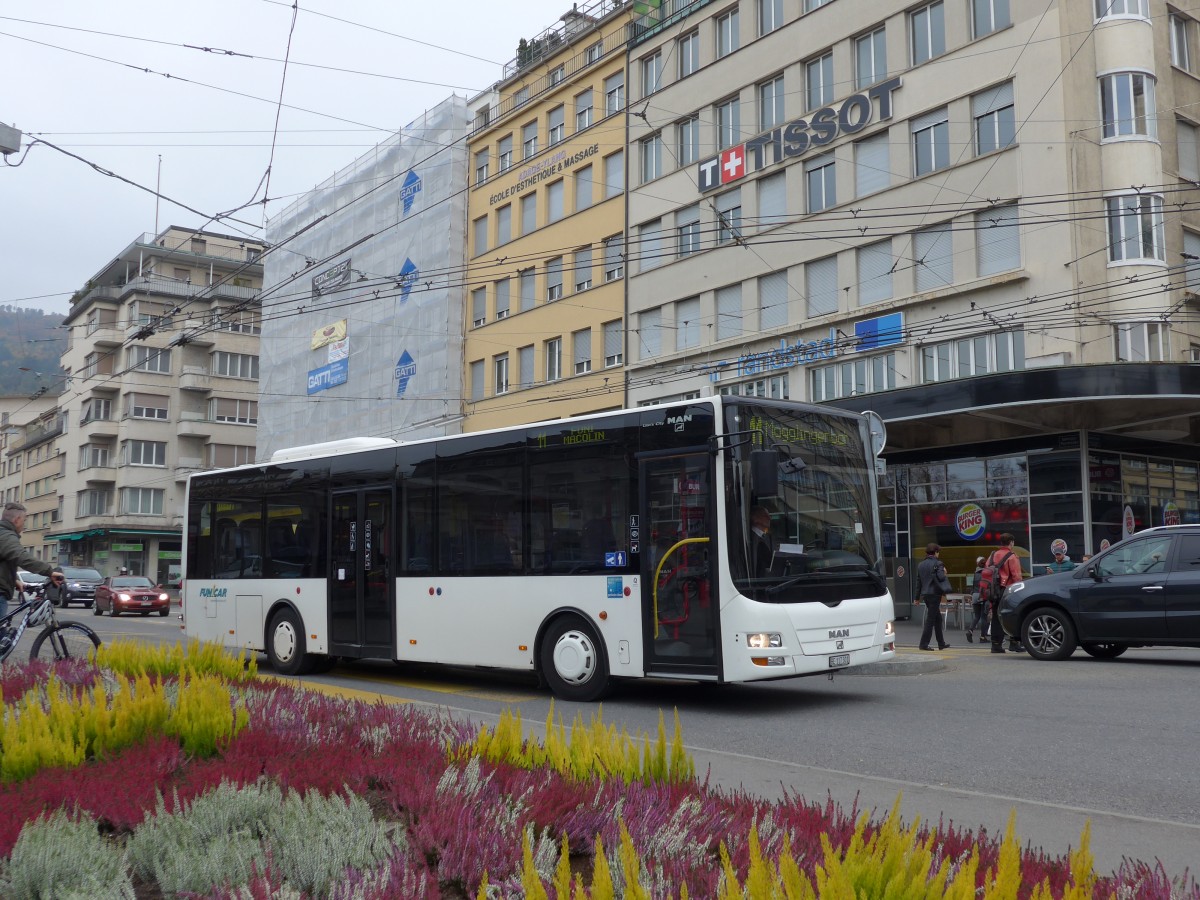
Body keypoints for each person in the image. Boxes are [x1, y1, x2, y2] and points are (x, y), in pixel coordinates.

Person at [0, 501, 64, 628]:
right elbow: (21, 556)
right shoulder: (6, 536)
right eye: (24, 520)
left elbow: (5, 561)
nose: (24, 525)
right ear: (17, 519)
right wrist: (49, 571)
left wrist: (15, 580)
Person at [987, 532, 1025, 654]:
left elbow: (987, 570)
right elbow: (1017, 576)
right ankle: (1014, 643)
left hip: (993, 589)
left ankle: (996, 644)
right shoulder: (1012, 556)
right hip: (1006, 590)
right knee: (1012, 616)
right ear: (1011, 543)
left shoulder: (992, 555)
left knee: (996, 617)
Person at [916, 542, 953, 651]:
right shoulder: (938, 563)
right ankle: (923, 644)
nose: (939, 554)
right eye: (938, 552)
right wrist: (945, 572)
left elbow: (919, 582)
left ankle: (941, 643)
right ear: (936, 552)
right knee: (930, 620)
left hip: (926, 594)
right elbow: (941, 577)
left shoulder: (921, 564)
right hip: (935, 594)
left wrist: (916, 598)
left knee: (938, 619)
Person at [965, 556, 990, 644]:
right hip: (983, 596)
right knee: (984, 617)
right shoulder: (986, 573)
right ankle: (982, 637)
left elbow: (973, 586)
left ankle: (970, 631)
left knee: (976, 616)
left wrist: (971, 596)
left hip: (975, 595)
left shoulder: (975, 573)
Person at [749, 506, 774, 578]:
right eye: (765, 516)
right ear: (755, 519)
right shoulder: (750, 539)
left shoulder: (767, 537)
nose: (769, 518)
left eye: (769, 516)